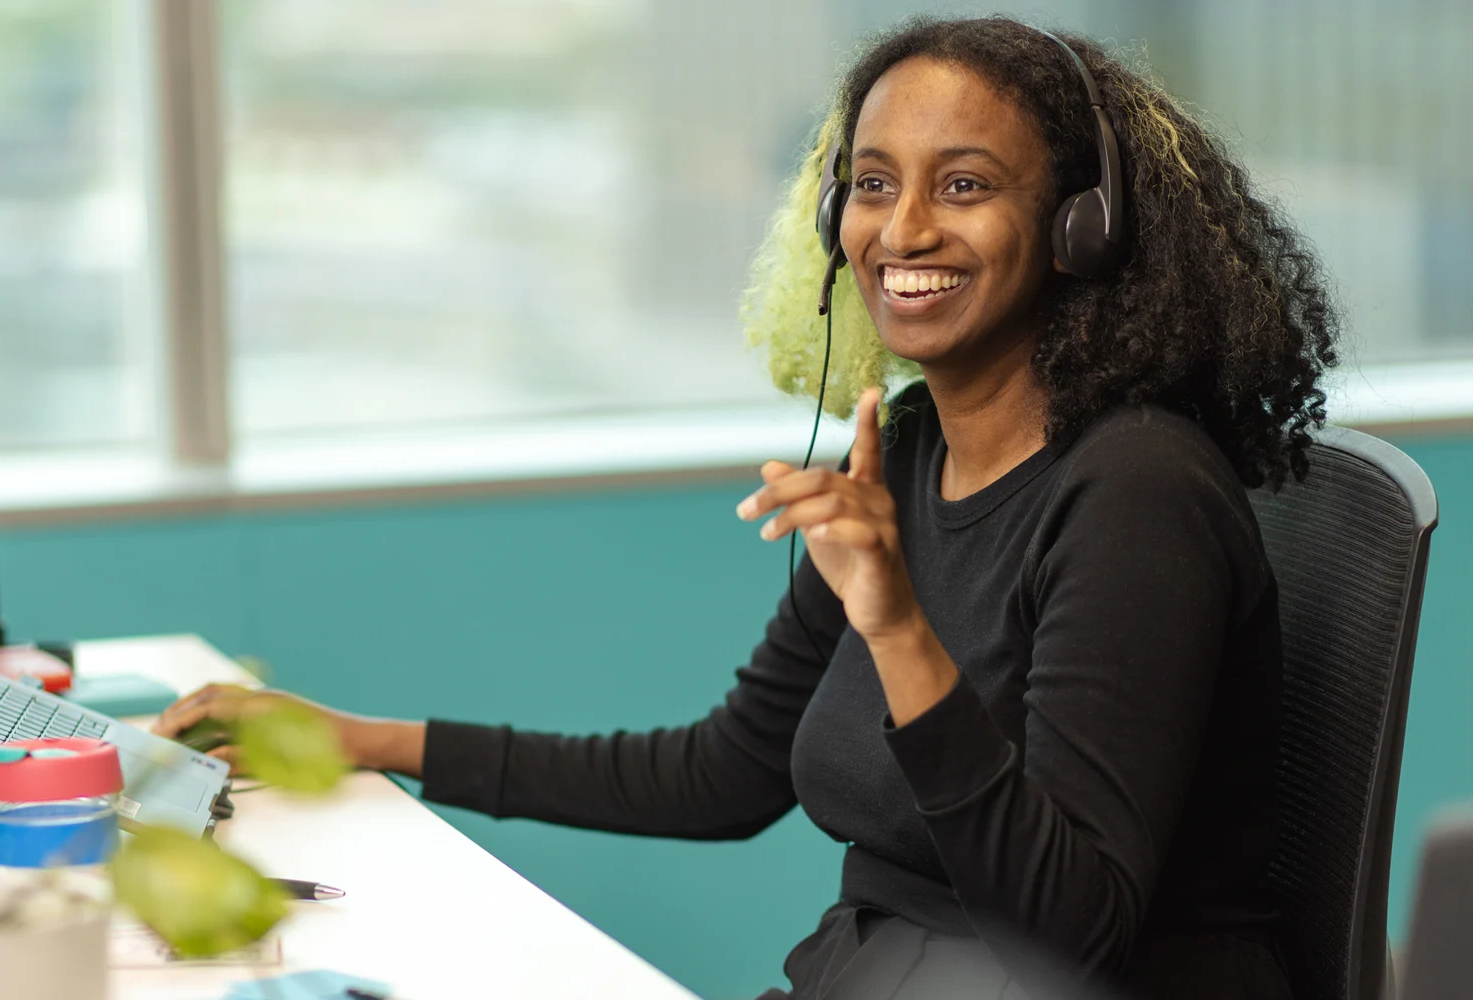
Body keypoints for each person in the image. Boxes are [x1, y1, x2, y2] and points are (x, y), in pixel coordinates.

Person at [154, 16, 1337, 1000]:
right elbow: (724, 773)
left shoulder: (1135, 490)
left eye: (963, 185)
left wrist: (896, 628)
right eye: (871, 185)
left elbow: (1069, 929)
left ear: (1081, 227)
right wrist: (361, 739)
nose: (903, 229)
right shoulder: (910, 452)